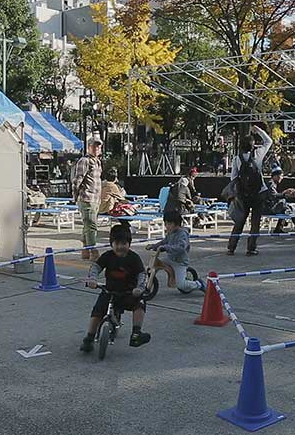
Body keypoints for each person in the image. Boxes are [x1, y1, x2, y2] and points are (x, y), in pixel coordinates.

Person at [80, 223, 150, 352]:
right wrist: (92, 279)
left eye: (123, 243)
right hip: (109, 291)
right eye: (116, 243)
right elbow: (96, 267)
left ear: (129, 244)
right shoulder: (108, 256)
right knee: (97, 312)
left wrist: (139, 288)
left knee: (140, 303)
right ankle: (89, 339)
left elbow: (141, 274)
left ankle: (136, 334)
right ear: (111, 244)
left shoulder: (133, 258)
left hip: (129, 292)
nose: (120, 247)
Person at [227, 124, 273, 256]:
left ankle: (231, 247)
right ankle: (251, 248)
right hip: (259, 193)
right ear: (253, 146)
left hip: (244, 194)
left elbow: (233, 178)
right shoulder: (258, 155)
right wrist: (258, 130)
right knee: (255, 221)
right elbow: (269, 141)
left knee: (240, 220)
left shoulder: (237, 159)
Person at [146, 211, 206, 293]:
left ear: (177, 224)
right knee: (153, 265)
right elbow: (164, 241)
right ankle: (148, 283)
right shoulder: (170, 233)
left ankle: (199, 284)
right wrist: (153, 246)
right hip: (170, 259)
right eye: (166, 224)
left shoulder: (182, 234)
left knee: (181, 285)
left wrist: (166, 248)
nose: (167, 226)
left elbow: (181, 247)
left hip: (179, 262)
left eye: (169, 224)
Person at [72, 138, 103, 260]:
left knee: (87, 225)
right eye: (94, 146)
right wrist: (75, 196)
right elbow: (77, 180)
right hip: (86, 197)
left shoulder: (97, 162)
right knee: (91, 225)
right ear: (89, 147)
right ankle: (93, 251)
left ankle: (85, 250)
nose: (97, 149)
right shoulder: (84, 161)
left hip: (96, 198)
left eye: (99, 147)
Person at [264, 165, 289, 233]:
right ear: (275, 176)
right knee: (286, 206)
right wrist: (285, 194)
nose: (281, 178)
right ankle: (282, 225)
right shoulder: (271, 184)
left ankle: (281, 225)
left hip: (268, 206)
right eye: (280, 176)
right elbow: (273, 196)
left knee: (285, 206)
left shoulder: (272, 183)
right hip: (268, 208)